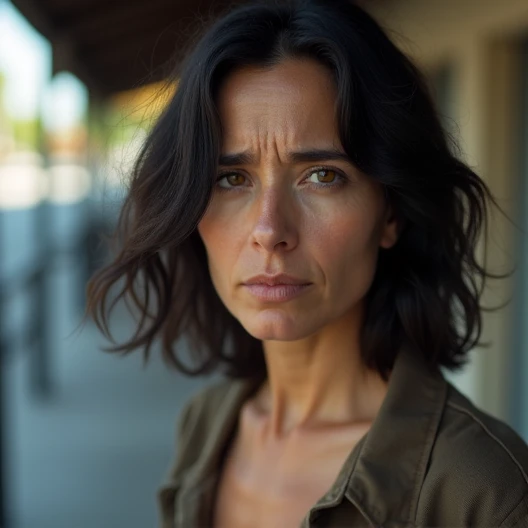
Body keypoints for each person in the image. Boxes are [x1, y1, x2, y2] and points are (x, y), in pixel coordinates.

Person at [85, 0, 528, 526]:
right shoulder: (205, 426)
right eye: (232, 179)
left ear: (391, 213)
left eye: (321, 175)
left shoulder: (482, 492)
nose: (270, 230)